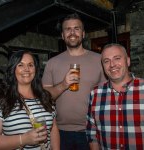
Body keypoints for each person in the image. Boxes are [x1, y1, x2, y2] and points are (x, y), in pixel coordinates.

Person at [42, 13, 106, 150]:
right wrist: (64, 85)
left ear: (83, 34)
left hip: (92, 131)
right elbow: (44, 98)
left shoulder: (99, 60)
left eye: (77, 28)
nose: (72, 32)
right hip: (59, 131)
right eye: (68, 29)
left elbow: (108, 95)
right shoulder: (52, 63)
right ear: (63, 35)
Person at [0, 50, 60, 150]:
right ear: (13, 69)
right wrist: (23, 139)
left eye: (30, 65)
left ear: (36, 70)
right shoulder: (1, 102)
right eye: (21, 65)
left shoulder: (45, 97)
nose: (27, 69)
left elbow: (54, 129)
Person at [86, 43, 144, 150]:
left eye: (117, 58)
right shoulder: (95, 93)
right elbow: (92, 133)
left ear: (128, 61)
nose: (112, 64)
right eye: (106, 61)